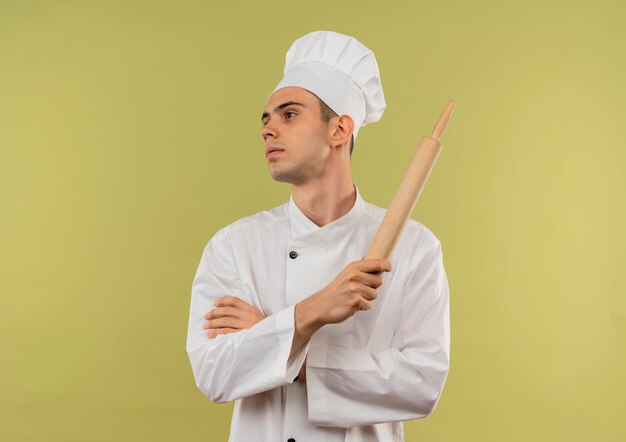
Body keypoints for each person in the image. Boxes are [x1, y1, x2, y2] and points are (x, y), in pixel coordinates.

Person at [186, 30, 450, 442]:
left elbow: (421, 384)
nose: (268, 129)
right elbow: (214, 373)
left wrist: (274, 338)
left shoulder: (414, 247)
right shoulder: (234, 246)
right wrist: (311, 311)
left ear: (340, 129)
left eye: (289, 114)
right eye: (266, 119)